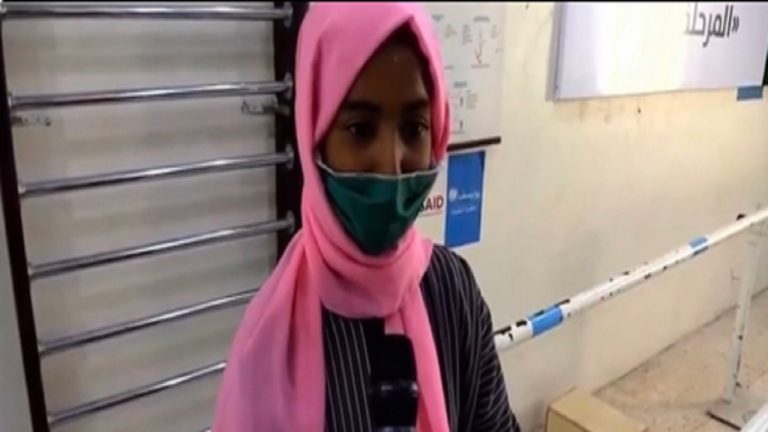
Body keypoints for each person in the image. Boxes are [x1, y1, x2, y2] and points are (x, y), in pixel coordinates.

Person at [212, 3, 520, 431]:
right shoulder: (268, 344)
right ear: (314, 136)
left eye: (414, 128)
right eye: (360, 129)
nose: (390, 165)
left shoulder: (453, 291)